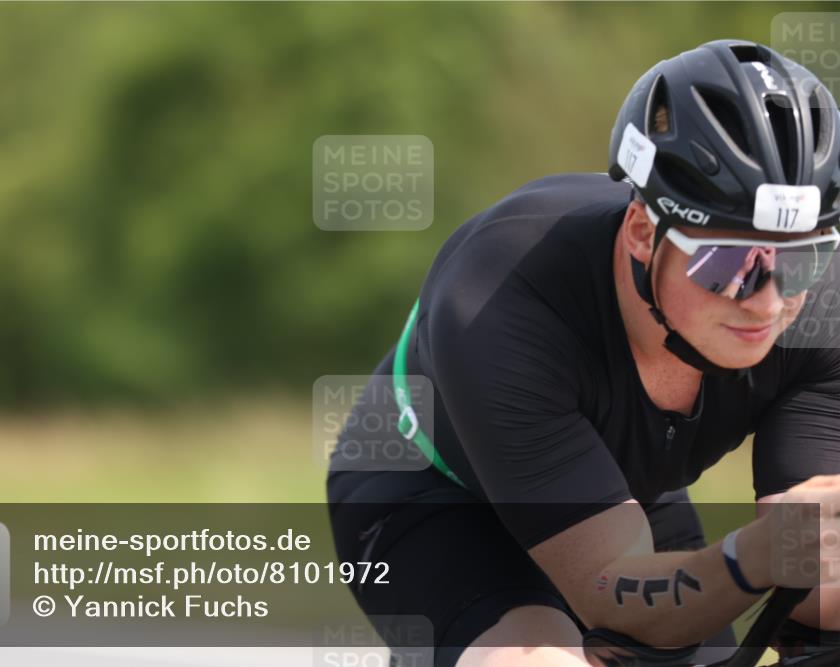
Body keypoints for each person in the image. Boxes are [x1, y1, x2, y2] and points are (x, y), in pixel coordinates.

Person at [326, 39, 840, 667]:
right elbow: (609, 593)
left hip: (618, 494)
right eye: (725, 264)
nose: (764, 303)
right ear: (644, 233)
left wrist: (788, 559)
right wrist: (754, 556)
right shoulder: (498, 300)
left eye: (798, 260)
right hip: (438, 499)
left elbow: (815, 581)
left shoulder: (817, 311)